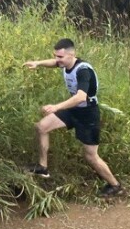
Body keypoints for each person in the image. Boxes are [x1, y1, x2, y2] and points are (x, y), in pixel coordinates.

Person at [23, 39, 124, 198]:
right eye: (56, 56)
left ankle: (115, 185)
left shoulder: (83, 71)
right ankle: (43, 168)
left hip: (88, 114)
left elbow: (81, 97)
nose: (57, 60)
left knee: (91, 156)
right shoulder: (65, 63)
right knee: (42, 127)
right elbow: (53, 63)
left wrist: (56, 107)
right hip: (73, 110)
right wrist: (38, 63)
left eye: (60, 57)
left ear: (72, 55)